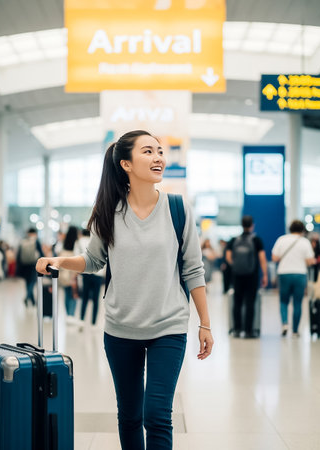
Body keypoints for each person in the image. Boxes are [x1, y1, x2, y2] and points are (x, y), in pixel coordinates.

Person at [36, 130, 213, 450]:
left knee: (157, 415)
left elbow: (193, 269)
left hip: (168, 327)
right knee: (129, 416)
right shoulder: (109, 213)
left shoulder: (178, 208)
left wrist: (205, 323)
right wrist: (58, 261)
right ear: (126, 164)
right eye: (148, 151)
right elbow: (92, 260)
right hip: (120, 329)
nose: (159, 157)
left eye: (160, 151)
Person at [226, 215, 268, 338]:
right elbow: (262, 258)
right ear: (252, 225)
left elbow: (228, 257)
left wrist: (236, 266)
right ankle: (249, 331)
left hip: (237, 275)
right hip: (252, 276)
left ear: (242, 225)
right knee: (250, 302)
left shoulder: (234, 240)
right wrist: (265, 274)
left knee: (237, 302)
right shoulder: (256, 240)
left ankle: (237, 329)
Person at [272, 220, 315, 337]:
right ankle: (295, 330)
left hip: (284, 273)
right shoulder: (305, 242)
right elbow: (310, 261)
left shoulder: (282, 239)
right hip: (300, 274)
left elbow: (274, 257)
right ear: (302, 230)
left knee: (283, 301)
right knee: (298, 302)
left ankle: (285, 324)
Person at [76, 228, 104, 328]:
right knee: (96, 299)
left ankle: (82, 320)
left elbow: (77, 257)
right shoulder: (96, 240)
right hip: (99, 274)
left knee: (85, 297)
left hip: (86, 272)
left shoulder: (79, 241)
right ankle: (93, 323)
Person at [58, 226, 80, 322]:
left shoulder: (64, 243)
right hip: (73, 272)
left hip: (64, 273)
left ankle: (68, 314)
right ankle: (71, 314)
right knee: (73, 294)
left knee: (67, 294)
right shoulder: (77, 243)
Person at [17, 228, 44, 306]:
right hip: (33, 264)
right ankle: (27, 297)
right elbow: (41, 253)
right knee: (32, 282)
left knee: (27, 282)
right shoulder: (36, 241)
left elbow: (19, 255)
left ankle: (32, 301)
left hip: (24, 265)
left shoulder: (23, 241)